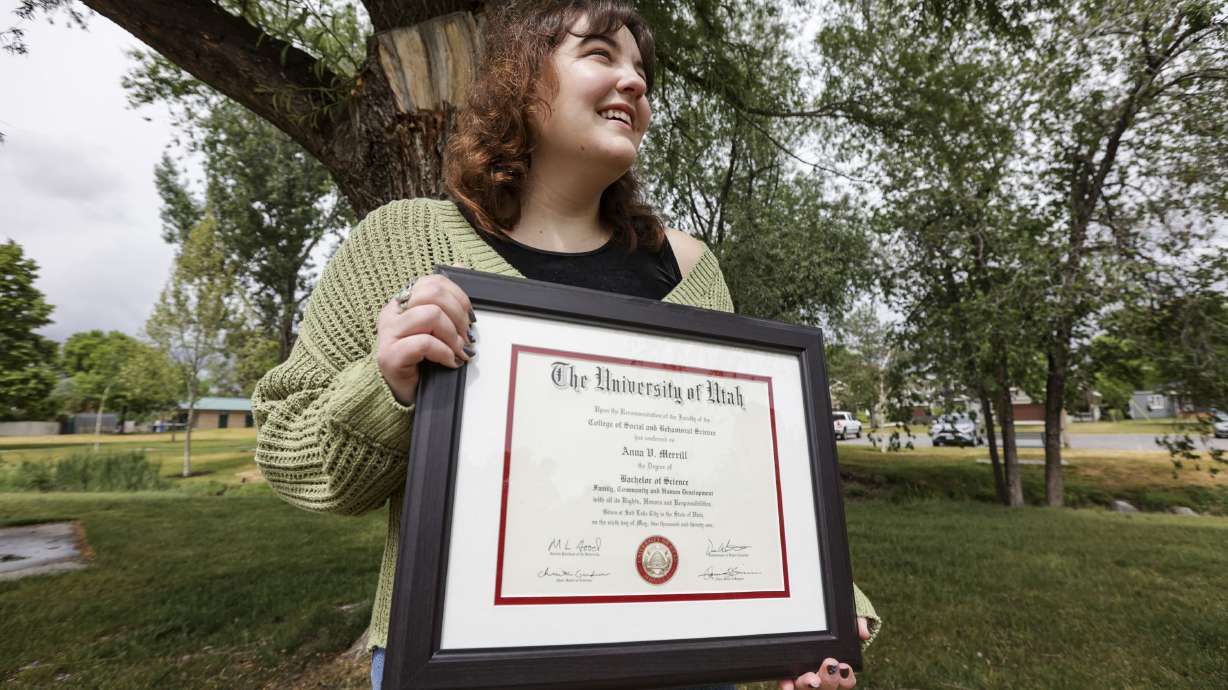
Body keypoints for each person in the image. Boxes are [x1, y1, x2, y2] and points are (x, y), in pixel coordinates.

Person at [252, 2, 879, 689]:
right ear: (522, 80)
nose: (636, 83)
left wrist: (817, 607)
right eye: (602, 55)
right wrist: (388, 386)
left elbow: (738, 476)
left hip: (678, 666)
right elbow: (291, 455)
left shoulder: (694, 271)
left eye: (642, 70)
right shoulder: (402, 242)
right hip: (462, 668)